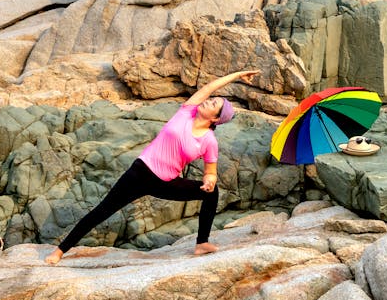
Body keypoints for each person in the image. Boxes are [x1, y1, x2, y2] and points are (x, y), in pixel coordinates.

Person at [45, 69, 259, 266]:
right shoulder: (186, 112)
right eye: (211, 100)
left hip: (166, 183)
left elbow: (210, 170)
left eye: (213, 105)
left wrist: (209, 181)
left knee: (213, 193)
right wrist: (237, 75)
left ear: (215, 119)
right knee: (102, 211)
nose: (208, 101)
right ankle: (60, 251)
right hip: (140, 173)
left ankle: (202, 243)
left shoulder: (209, 141)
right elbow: (208, 88)